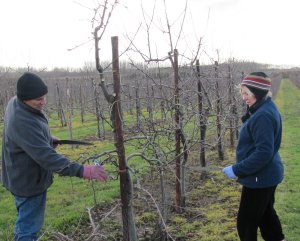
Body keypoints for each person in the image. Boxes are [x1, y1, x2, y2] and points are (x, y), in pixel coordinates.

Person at [1, 72, 108, 241]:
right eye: (38, 99)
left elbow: (26, 139)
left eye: (44, 97)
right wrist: (82, 170)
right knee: (28, 229)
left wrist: (47, 139)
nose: (43, 102)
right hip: (28, 182)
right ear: (25, 98)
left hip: (18, 175)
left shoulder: (15, 103)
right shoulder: (21, 120)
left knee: (25, 222)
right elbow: (47, 157)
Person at [222, 72, 285, 241]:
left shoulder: (263, 115)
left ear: (257, 92)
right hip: (267, 174)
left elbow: (263, 153)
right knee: (266, 215)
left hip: (260, 178)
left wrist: (237, 169)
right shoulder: (265, 107)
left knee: (246, 223)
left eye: (246, 94)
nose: (243, 98)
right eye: (242, 93)